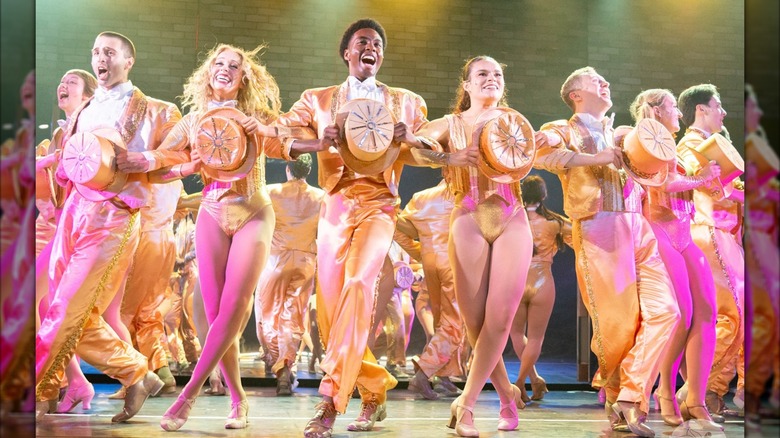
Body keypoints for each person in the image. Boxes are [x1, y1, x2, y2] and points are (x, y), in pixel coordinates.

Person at [273, 18, 432, 437]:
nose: (371, 48)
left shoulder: (407, 103)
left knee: (360, 284)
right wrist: (317, 141)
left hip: (380, 204)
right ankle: (375, 389)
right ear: (347, 52)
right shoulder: (317, 99)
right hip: (337, 205)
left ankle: (329, 401)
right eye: (363, 42)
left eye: (377, 44)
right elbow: (280, 134)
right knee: (329, 312)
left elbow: (436, 151)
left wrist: (410, 138)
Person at [131, 43, 290, 431]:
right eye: (219, 63)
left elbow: (291, 149)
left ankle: (188, 397)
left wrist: (268, 129)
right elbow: (158, 169)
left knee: (234, 308)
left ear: (244, 76)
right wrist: (188, 164)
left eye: (234, 65)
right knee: (219, 316)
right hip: (211, 212)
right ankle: (238, 399)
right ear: (209, 72)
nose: (225, 69)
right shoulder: (192, 121)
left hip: (254, 210)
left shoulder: (256, 114)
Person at [35, 32, 182, 422]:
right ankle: (136, 373)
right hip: (73, 214)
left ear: (128, 61)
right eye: (96, 52)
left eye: (109, 52)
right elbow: (71, 167)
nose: (101, 58)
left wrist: (148, 159)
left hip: (113, 217)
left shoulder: (153, 109)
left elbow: (185, 153)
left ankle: (37, 390)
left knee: (67, 310)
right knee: (55, 307)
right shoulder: (85, 110)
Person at [535, 67, 680, 437]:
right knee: (618, 324)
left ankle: (629, 397)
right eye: (593, 79)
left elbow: (657, 175)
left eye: (604, 78)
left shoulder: (621, 133)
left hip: (637, 223)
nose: (604, 82)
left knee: (667, 310)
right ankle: (624, 401)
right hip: (599, 224)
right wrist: (596, 159)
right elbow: (542, 153)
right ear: (575, 95)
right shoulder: (563, 127)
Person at [402, 55, 537, 436]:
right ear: (467, 85)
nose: (491, 79)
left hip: (511, 215)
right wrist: (449, 156)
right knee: (476, 325)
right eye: (482, 74)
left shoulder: (514, 120)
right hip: (468, 215)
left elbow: (533, 154)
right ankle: (507, 396)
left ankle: (466, 404)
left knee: (500, 318)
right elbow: (416, 147)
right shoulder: (451, 123)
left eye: (497, 74)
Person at [629, 88, 723, 431]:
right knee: (679, 316)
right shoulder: (645, 140)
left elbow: (695, 186)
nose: (679, 114)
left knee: (708, 312)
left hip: (684, 231)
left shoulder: (674, 144)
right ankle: (665, 392)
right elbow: (662, 183)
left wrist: (712, 181)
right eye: (673, 107)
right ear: (654, 109)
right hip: (659, 229)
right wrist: (702, 179)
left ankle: (695, 398)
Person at [676, 83, 745, 421]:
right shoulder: (692, 145)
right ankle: (695, 391)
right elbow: (713, 189)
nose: (724, 112)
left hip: (723, 235)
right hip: (709, 232)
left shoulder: (707, 144)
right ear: (701, 110)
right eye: (718, 106)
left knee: (733, 317)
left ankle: (709, 392)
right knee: (730, 315)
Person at [33, 69, 99, 414]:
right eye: (60, 82)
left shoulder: (89, 130)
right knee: (45, 308)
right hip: (48, 230)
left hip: (73, 230)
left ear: (87, 95)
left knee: (36, 304)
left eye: (71, 82)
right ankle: (73, 381)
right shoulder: (58, 134)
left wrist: (43, 163)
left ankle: (46, 388)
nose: (62, 86)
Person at [253, 153, 324, 396]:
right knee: (294, 318)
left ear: (287, 168)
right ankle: (285, 364)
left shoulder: (270, 191)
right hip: (305, 260)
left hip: (276, 259)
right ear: (309, 170)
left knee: (268, 315)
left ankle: (281, 369)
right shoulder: (321, 197)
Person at [395, 178, 465, 400]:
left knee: (441, 322)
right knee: (454, 324)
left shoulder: (420, 197)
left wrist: (421, 253)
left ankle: (442, 375)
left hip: (430, 263)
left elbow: (397, 228)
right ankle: (424, 372)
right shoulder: (462, 196)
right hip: (454, 262)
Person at [508, 175, 572, 403]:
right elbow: (582, 237)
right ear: (544, 195)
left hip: (516, 279)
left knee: (516, 333)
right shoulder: (555, 222)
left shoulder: (512, 220)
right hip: (543, 280)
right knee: (536, 338)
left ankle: (529, 382)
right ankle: (521, 382)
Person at [742, 84, 779, 430]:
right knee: (764, 318)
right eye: (753, 106)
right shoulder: (751, 145)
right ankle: (751, 395)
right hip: (756, 240)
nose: (759, 113)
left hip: (767, 238)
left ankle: (759, 396)